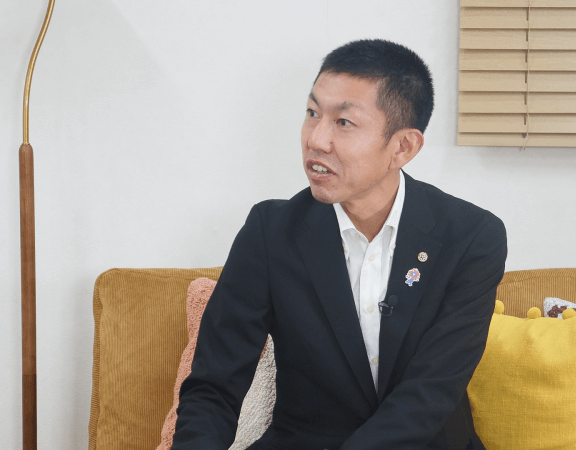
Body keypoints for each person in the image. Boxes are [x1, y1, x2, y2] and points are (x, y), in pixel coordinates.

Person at [171, 39, 507, 450]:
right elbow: (214, 386)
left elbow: (430, 395)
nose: (316, 139)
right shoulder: (270, 232)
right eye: (312, 114)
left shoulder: (471, 236)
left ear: (403, 147)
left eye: (343, 122)